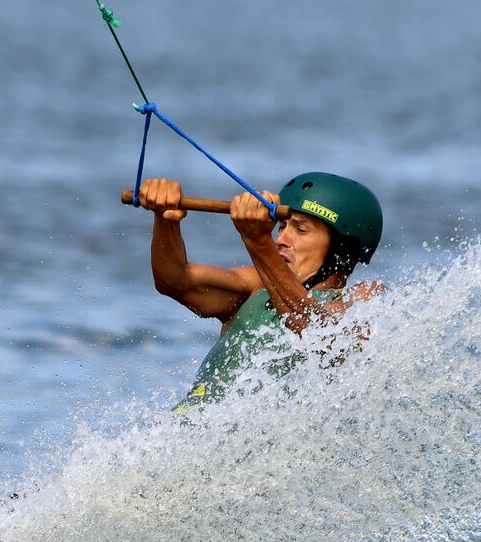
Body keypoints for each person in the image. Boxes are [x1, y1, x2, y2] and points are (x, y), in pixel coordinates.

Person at [135, 173, 384, 412]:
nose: (280, 239)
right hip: (185, 430)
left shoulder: (364, 300)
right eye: (282, 226)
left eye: (300, 230)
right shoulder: (255, 286)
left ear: (342, 249)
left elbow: (314, 331)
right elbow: (175, 281)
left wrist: (258, 242)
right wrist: (165, 218)